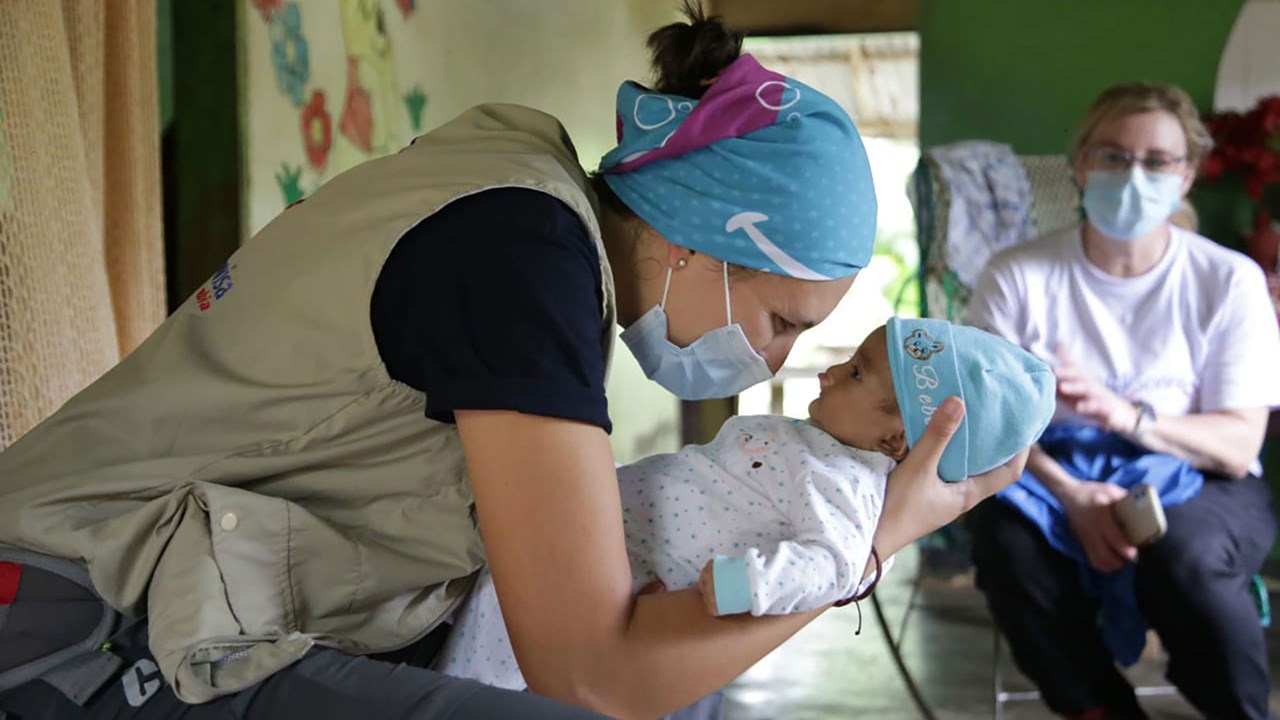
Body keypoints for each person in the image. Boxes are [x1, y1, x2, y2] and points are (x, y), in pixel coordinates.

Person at [0, 7, 1027, 720]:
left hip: (185, 589)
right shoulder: (520, 256)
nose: (782, 362)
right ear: (699, 241)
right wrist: (872, 542)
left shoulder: (528, 213)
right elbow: (588, 674)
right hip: (84, 617)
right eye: (782, 319)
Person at [437, 317, 1055, 691]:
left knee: (496, 639)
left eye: (858, 375)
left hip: (623, 558)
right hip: (606, 512)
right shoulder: (821, 446)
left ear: (895, 438)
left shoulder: (849, 487)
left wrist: (745, 588)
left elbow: (835, 566)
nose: (832, 372)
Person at [966, 82, 1280, 720]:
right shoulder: (1017, 276)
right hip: (1047, 472)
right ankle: (1098, 710)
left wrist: (1124, 414)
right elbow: (985, 428)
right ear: (1081, 165)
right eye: (1112, 156)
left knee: (1186, 556)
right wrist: (1072, 496)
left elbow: (1238, 444)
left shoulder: (1227, 280)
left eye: (1156, 160)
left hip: (1200, 478)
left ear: (1186, 175)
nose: (1133, 174)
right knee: (1007, 545)